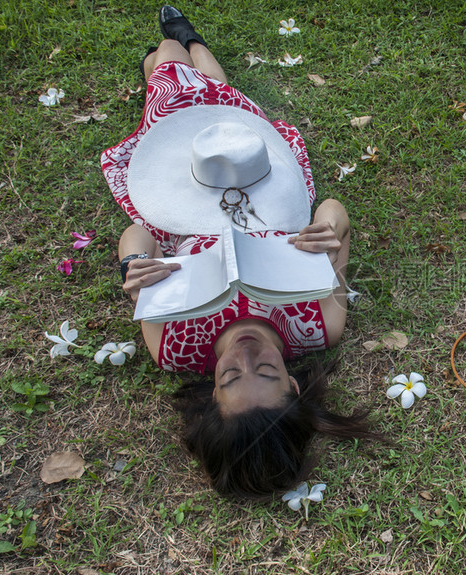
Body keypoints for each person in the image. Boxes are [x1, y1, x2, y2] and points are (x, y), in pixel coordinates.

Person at [101, 6, 376, 499]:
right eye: (267, 370)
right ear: (292, 387)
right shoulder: (317, 323)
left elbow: (136, 232)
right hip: (258, 180)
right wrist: (327, 230)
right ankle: (193, 41)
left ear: (212, 394)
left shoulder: (174, 346)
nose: (247, 355)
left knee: (166, 72)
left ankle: (165, 54)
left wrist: (134, 264)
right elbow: (335, 210)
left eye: (230, 375)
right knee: (223, 102)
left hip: (182, 184)